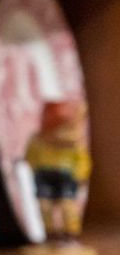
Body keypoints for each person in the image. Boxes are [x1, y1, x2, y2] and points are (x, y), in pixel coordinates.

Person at [25, 100, 91, 241]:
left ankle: (70, 232)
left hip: (66, 177)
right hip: (44, 176)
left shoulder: (73, 145)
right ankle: (49, 232)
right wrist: (32, 168)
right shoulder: (38, 141)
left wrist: (80, 174)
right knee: (45, 206)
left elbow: (82, 160)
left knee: (67, 205)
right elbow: (30, 157)